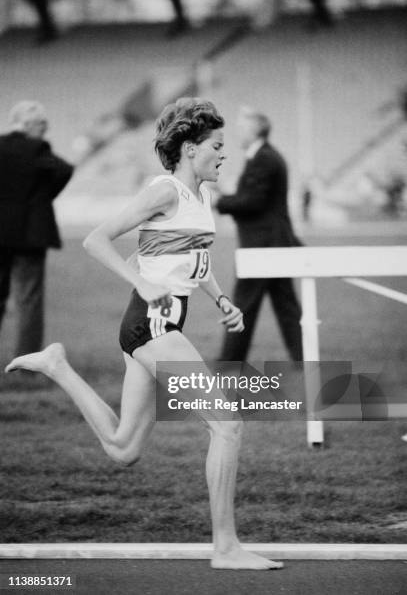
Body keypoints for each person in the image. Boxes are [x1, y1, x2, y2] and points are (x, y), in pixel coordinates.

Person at [5, 98, 283, 571]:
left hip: (157, 325)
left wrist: (220, 299)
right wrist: (141, 280)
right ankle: (226, 548)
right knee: (228, 423)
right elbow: (96, 239)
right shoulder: (165, 190)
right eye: (217, 146)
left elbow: (195, 255)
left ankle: (57, 365)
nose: (224, 154)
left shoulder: (200, 196)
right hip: (152, 324)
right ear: (191, 148)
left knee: (123, 449)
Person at [216, 107, 303, 363]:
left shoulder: (264, 158)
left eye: (242, 128)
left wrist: (218, 202)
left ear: (255, 130)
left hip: (262, 247)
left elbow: (252, 202)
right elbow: (254, 199)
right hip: (272, 244)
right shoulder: (265, 157)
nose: (237, 133)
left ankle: (229, 363)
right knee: (286, 308)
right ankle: (302, 359)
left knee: (243, 307)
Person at [0, 100, 73, 366]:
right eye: (42, 124)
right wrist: (41, 198)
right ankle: (27, 362)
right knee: (28, 301)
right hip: (30, 236)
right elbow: (64, 169)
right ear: (27, 124)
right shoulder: (36, 148)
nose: (46, 129)